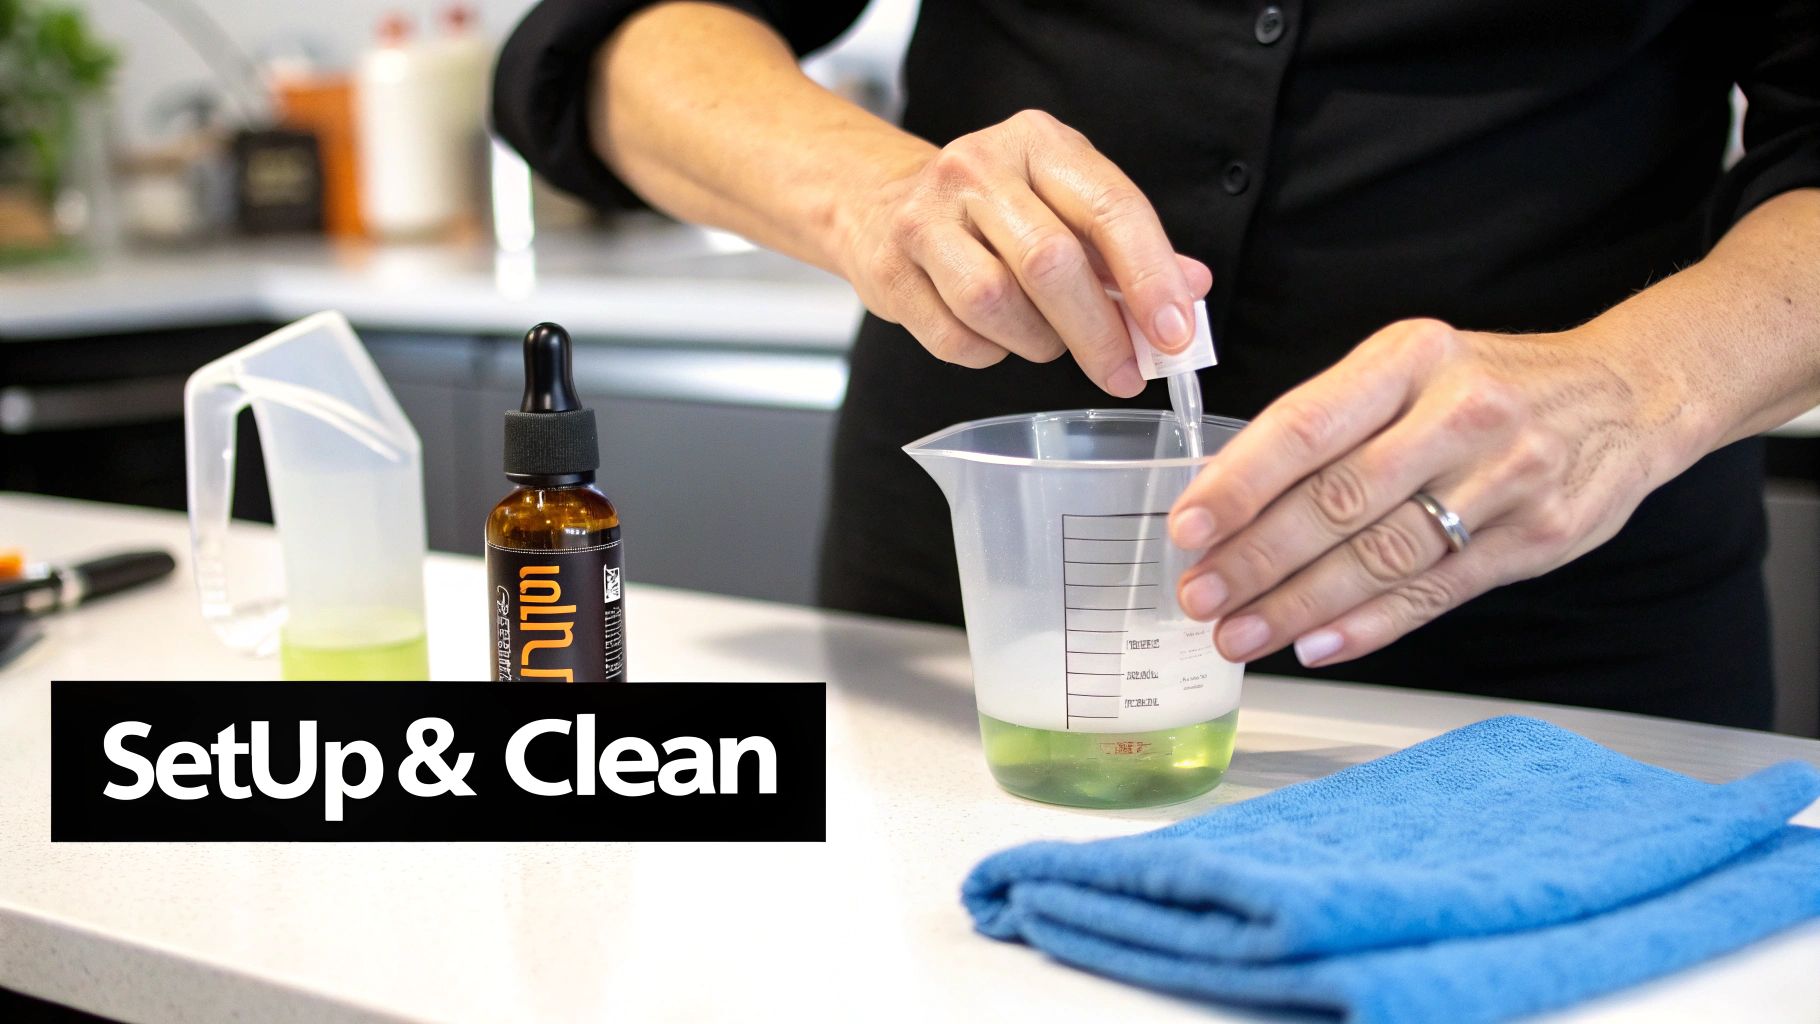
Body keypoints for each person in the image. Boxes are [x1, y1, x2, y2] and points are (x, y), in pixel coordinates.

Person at [493, 1, 1820, 728]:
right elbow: (613, 43)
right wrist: (878, 196)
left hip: (1551, 652)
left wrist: (1635, 390)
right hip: (973, 645)